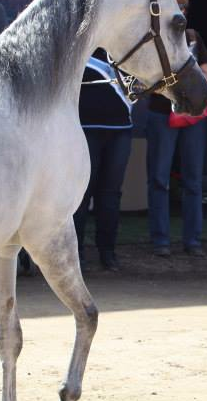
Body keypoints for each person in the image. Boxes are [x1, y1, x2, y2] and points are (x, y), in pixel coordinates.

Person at [145, 0, 207, 257]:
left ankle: (193, 241)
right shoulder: (151, 37)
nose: (180, 14)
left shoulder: (194, 37)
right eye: (176, 8)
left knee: (193, 181)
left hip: (193, 116)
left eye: (183, 9)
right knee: (159, 179)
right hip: (162, 114)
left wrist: (192, 77)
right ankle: (161, 240)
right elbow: (146, 79)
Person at [74, 51, 134, 270]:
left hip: (120, 128)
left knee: (110, 195)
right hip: (84, 128)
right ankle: (76, 253)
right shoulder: (79, 41)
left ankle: (108, 252)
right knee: (80, 194)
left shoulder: (124, 45)